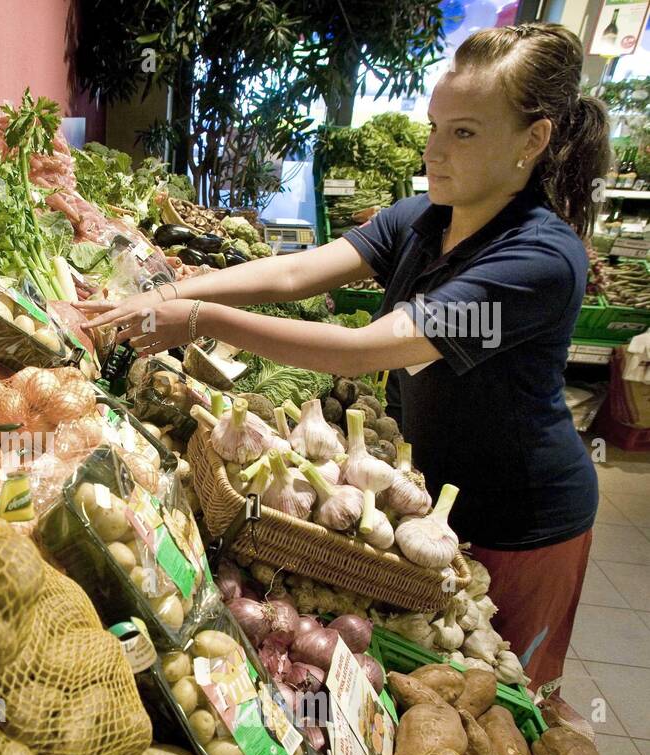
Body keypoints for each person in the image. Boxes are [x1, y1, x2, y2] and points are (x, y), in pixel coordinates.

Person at [79, 23, 608, 698]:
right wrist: (167, 291)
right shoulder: (426, 216)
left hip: (521, 519)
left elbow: (366, 348)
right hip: (424, 499)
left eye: (464, 132)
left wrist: (199, 320)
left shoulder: (537, 260)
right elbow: (293, 275)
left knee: (500, 696)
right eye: (434, 125)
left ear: (533, 141)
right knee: (428, 678)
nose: (434, 150)